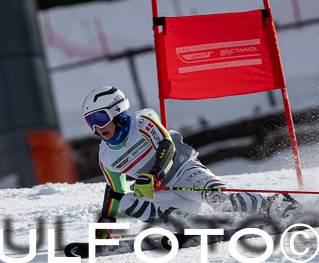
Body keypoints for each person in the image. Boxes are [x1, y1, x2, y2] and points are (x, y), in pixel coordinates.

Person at [82, 85, 300, 237]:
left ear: (117, 110)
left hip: (184, 172)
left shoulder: (142, 122)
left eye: (99, 118)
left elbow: (167, 148)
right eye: (90, 122)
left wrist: (154, 174)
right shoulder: (106, 156)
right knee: (129, 201)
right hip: (162, 192)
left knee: (221, 201)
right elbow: (116, 191)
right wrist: (107, 222)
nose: (97, 128)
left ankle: (277, 204)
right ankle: (186, 222)